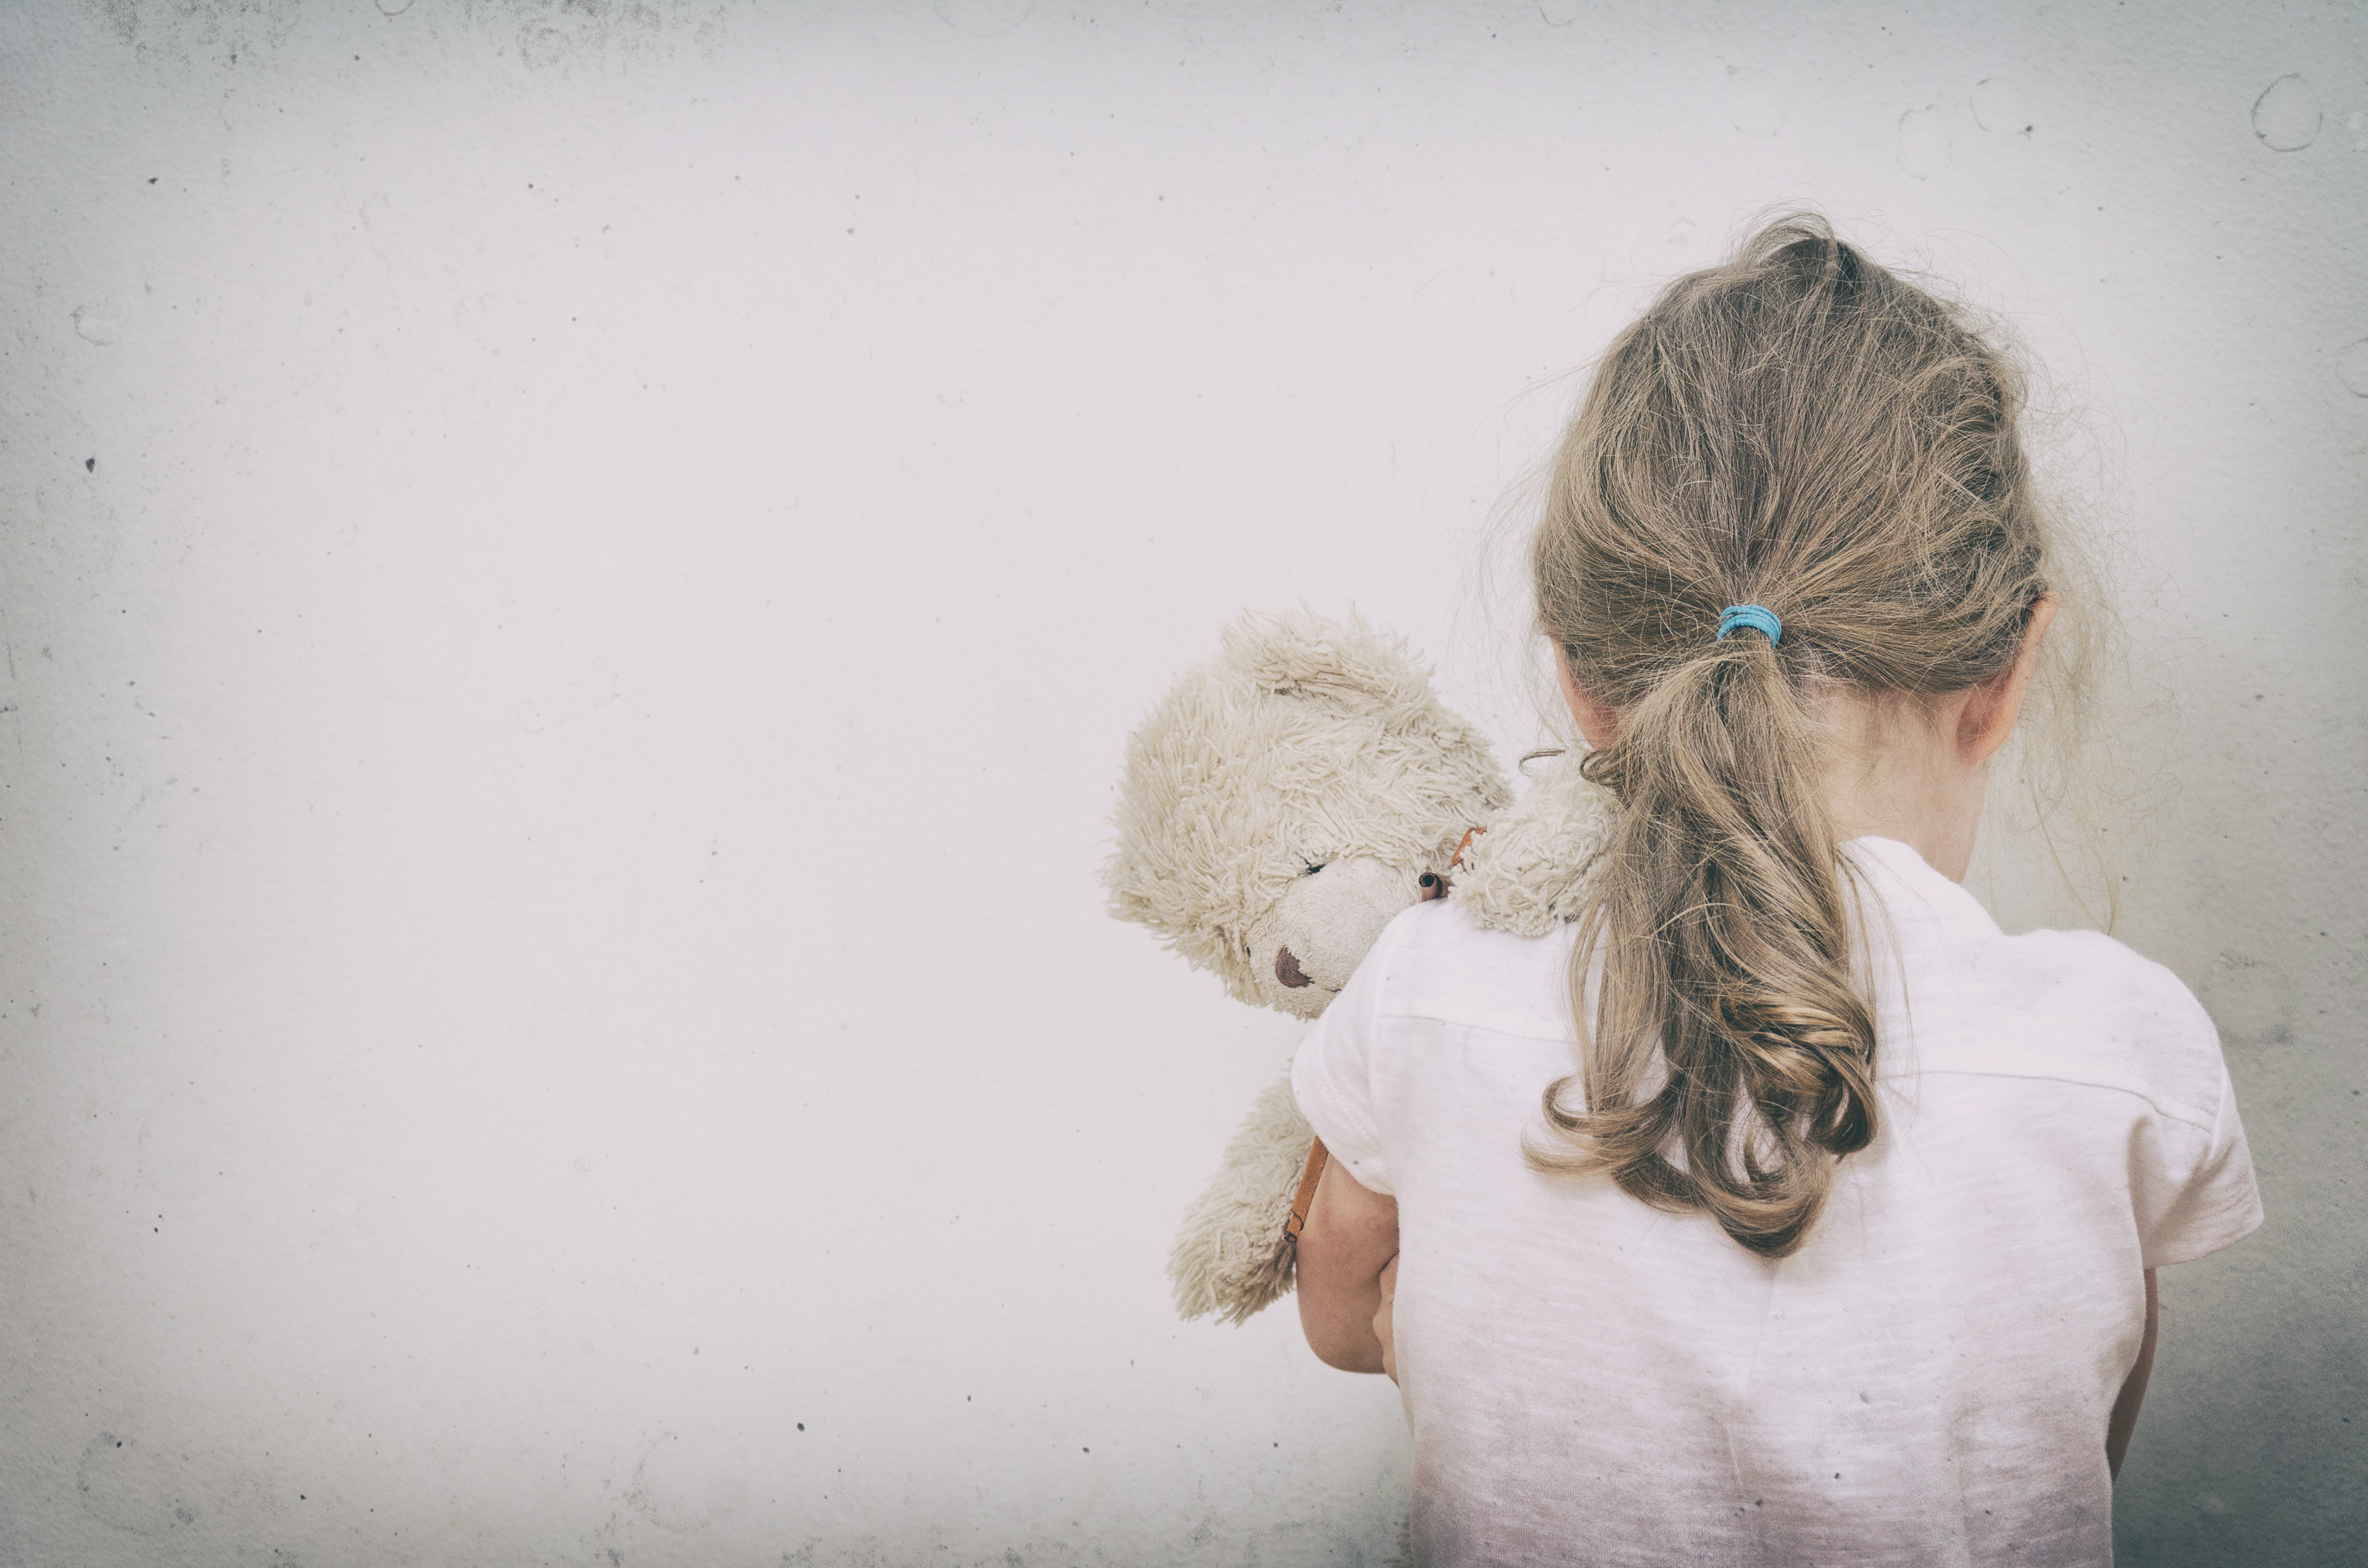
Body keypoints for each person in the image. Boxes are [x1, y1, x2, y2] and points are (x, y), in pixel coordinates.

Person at [1290, 214, 2262, 1567]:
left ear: (1579, 676)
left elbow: (1341, 1320)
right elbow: (2070, 1446)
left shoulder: (1429, 993)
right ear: (2006, 675)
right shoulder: (2118, 1054)